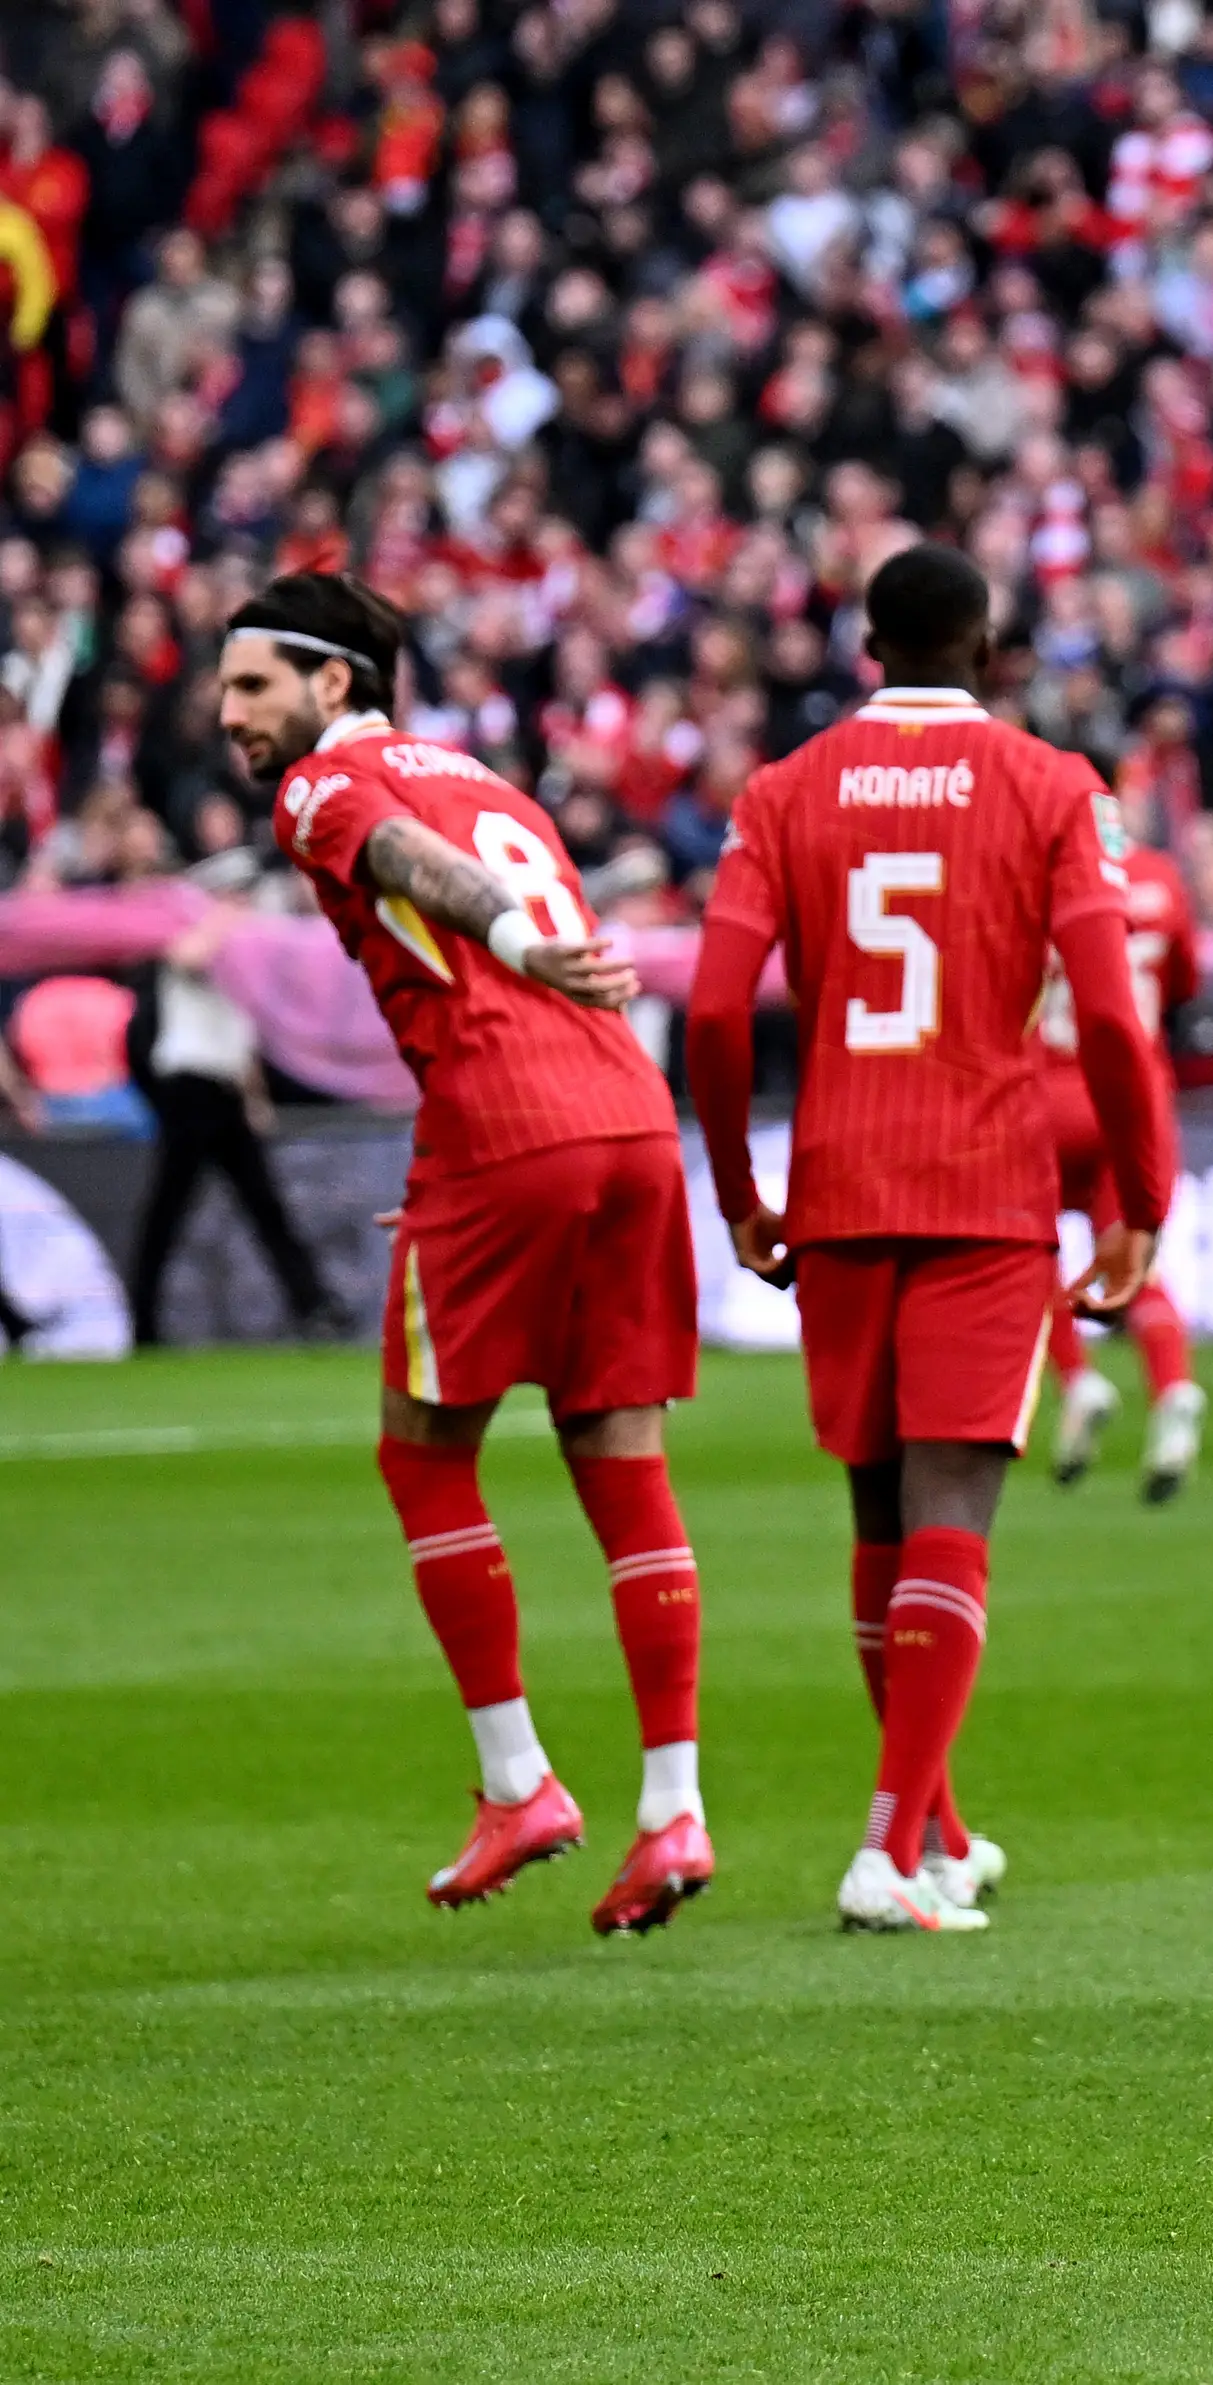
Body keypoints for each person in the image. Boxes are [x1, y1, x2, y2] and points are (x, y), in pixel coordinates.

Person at [685, 545, 1176, 1936]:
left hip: (838, 1184)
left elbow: (716, 1013)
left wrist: (736, 1187)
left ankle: (939, 1830)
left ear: (864, 647)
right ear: (990, 644)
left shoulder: (782, 792)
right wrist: (1140, 1198)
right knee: (951, 1520)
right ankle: (889, 1853)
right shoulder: (1052, 787)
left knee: (879, 1517)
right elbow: (1113, 1014)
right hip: (981, 1189)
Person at [228, 571, 715, 1936]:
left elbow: (405, 866)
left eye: (252, 685)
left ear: (336, 683)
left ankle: (519, 1782)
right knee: (621, 1460)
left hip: (509, 1123)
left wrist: (501, 943)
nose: (229, 716)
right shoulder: (497, 784)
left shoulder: (327, 785)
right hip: (625, 1121)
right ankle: (674, 1806)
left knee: (423, 1452)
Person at [1040, 827, 1205, 1502]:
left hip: (1052, 1089)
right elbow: (1187, 980)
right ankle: (1174, 1389)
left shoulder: (1043, 876)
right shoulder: (1161, 875)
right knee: (1135, 1256)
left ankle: (1078, 1378)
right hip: (1139, 1098)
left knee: (1026, 1250)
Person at [124, 853, 339, 1346]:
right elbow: (189, 956)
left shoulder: (244, 955)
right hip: (189, 1089)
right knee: (168, 1210)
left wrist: (254, 1098)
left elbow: (242, 1039)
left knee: (265, 1206)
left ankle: (315, 1307)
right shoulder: (196, 936)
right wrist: (225, 916)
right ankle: (141, 1321)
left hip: (225, 1093)